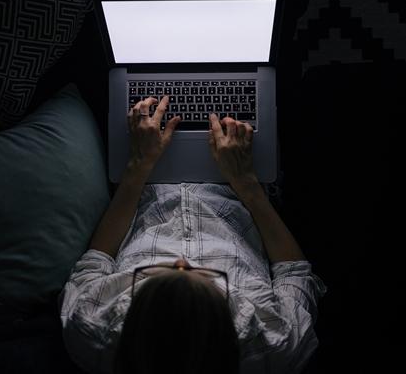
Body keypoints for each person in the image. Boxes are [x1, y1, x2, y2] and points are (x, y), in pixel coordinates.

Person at [59, 96, 326, 374]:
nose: (182, 261)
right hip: (239, 188)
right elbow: (293, 271)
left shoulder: (89, 330)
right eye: (208, 279)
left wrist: (138, 165)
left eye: (155, 277)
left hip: (145, 182)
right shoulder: (276, 344)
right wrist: (246, 181)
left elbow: (96, 261)